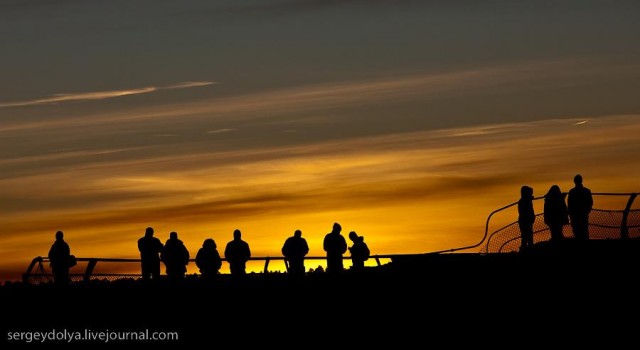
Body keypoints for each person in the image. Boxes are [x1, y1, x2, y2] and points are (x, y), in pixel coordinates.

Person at [568, 174, 593, 241]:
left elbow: (569, 204)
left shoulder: (571, 192)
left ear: (574, 181)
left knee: (576, 231)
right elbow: (590, 202)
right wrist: (587, 211)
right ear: (581, 181)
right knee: (584, 230)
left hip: (575, 215)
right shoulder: (587, 191)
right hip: (584, 214)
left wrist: (571, 214)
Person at [518, 185, 535, 251]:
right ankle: (525, 249)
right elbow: (526, 211)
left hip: (525, 221)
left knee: (527, 235)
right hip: (525, 221)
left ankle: (526, 249)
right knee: (526, 236)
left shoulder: (524, 201)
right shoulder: (524, 201)